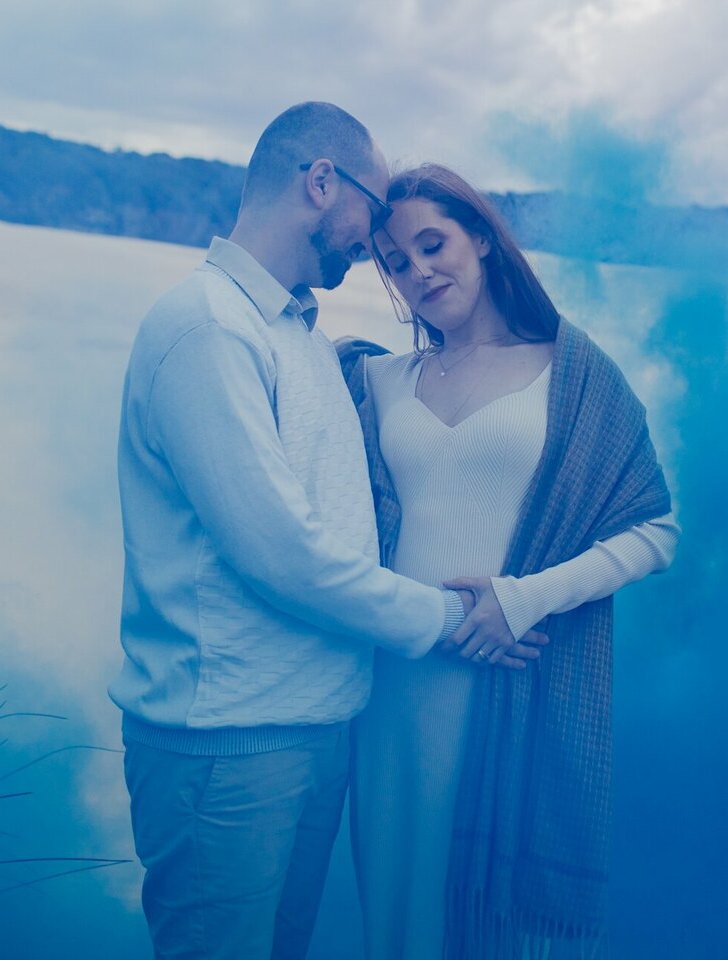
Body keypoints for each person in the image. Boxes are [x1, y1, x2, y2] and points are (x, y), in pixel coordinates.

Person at [111, 105, 536, 960]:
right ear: (320, 183)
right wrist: (454, 621)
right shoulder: (206, 329)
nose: (375, 241)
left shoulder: (297, 335)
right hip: (225, 751)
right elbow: (285, 557)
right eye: (374, 213)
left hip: (309, 735)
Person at [337, 163, 679, 958]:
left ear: (483, 239)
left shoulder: (573, 374)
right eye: (396, 262)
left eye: (434, 244)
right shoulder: (380, 380)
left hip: (508, 683)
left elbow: (655, 531)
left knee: (492, 930)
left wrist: (523, 599)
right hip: (393, 690)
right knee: (397, 915)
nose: (419, 271)